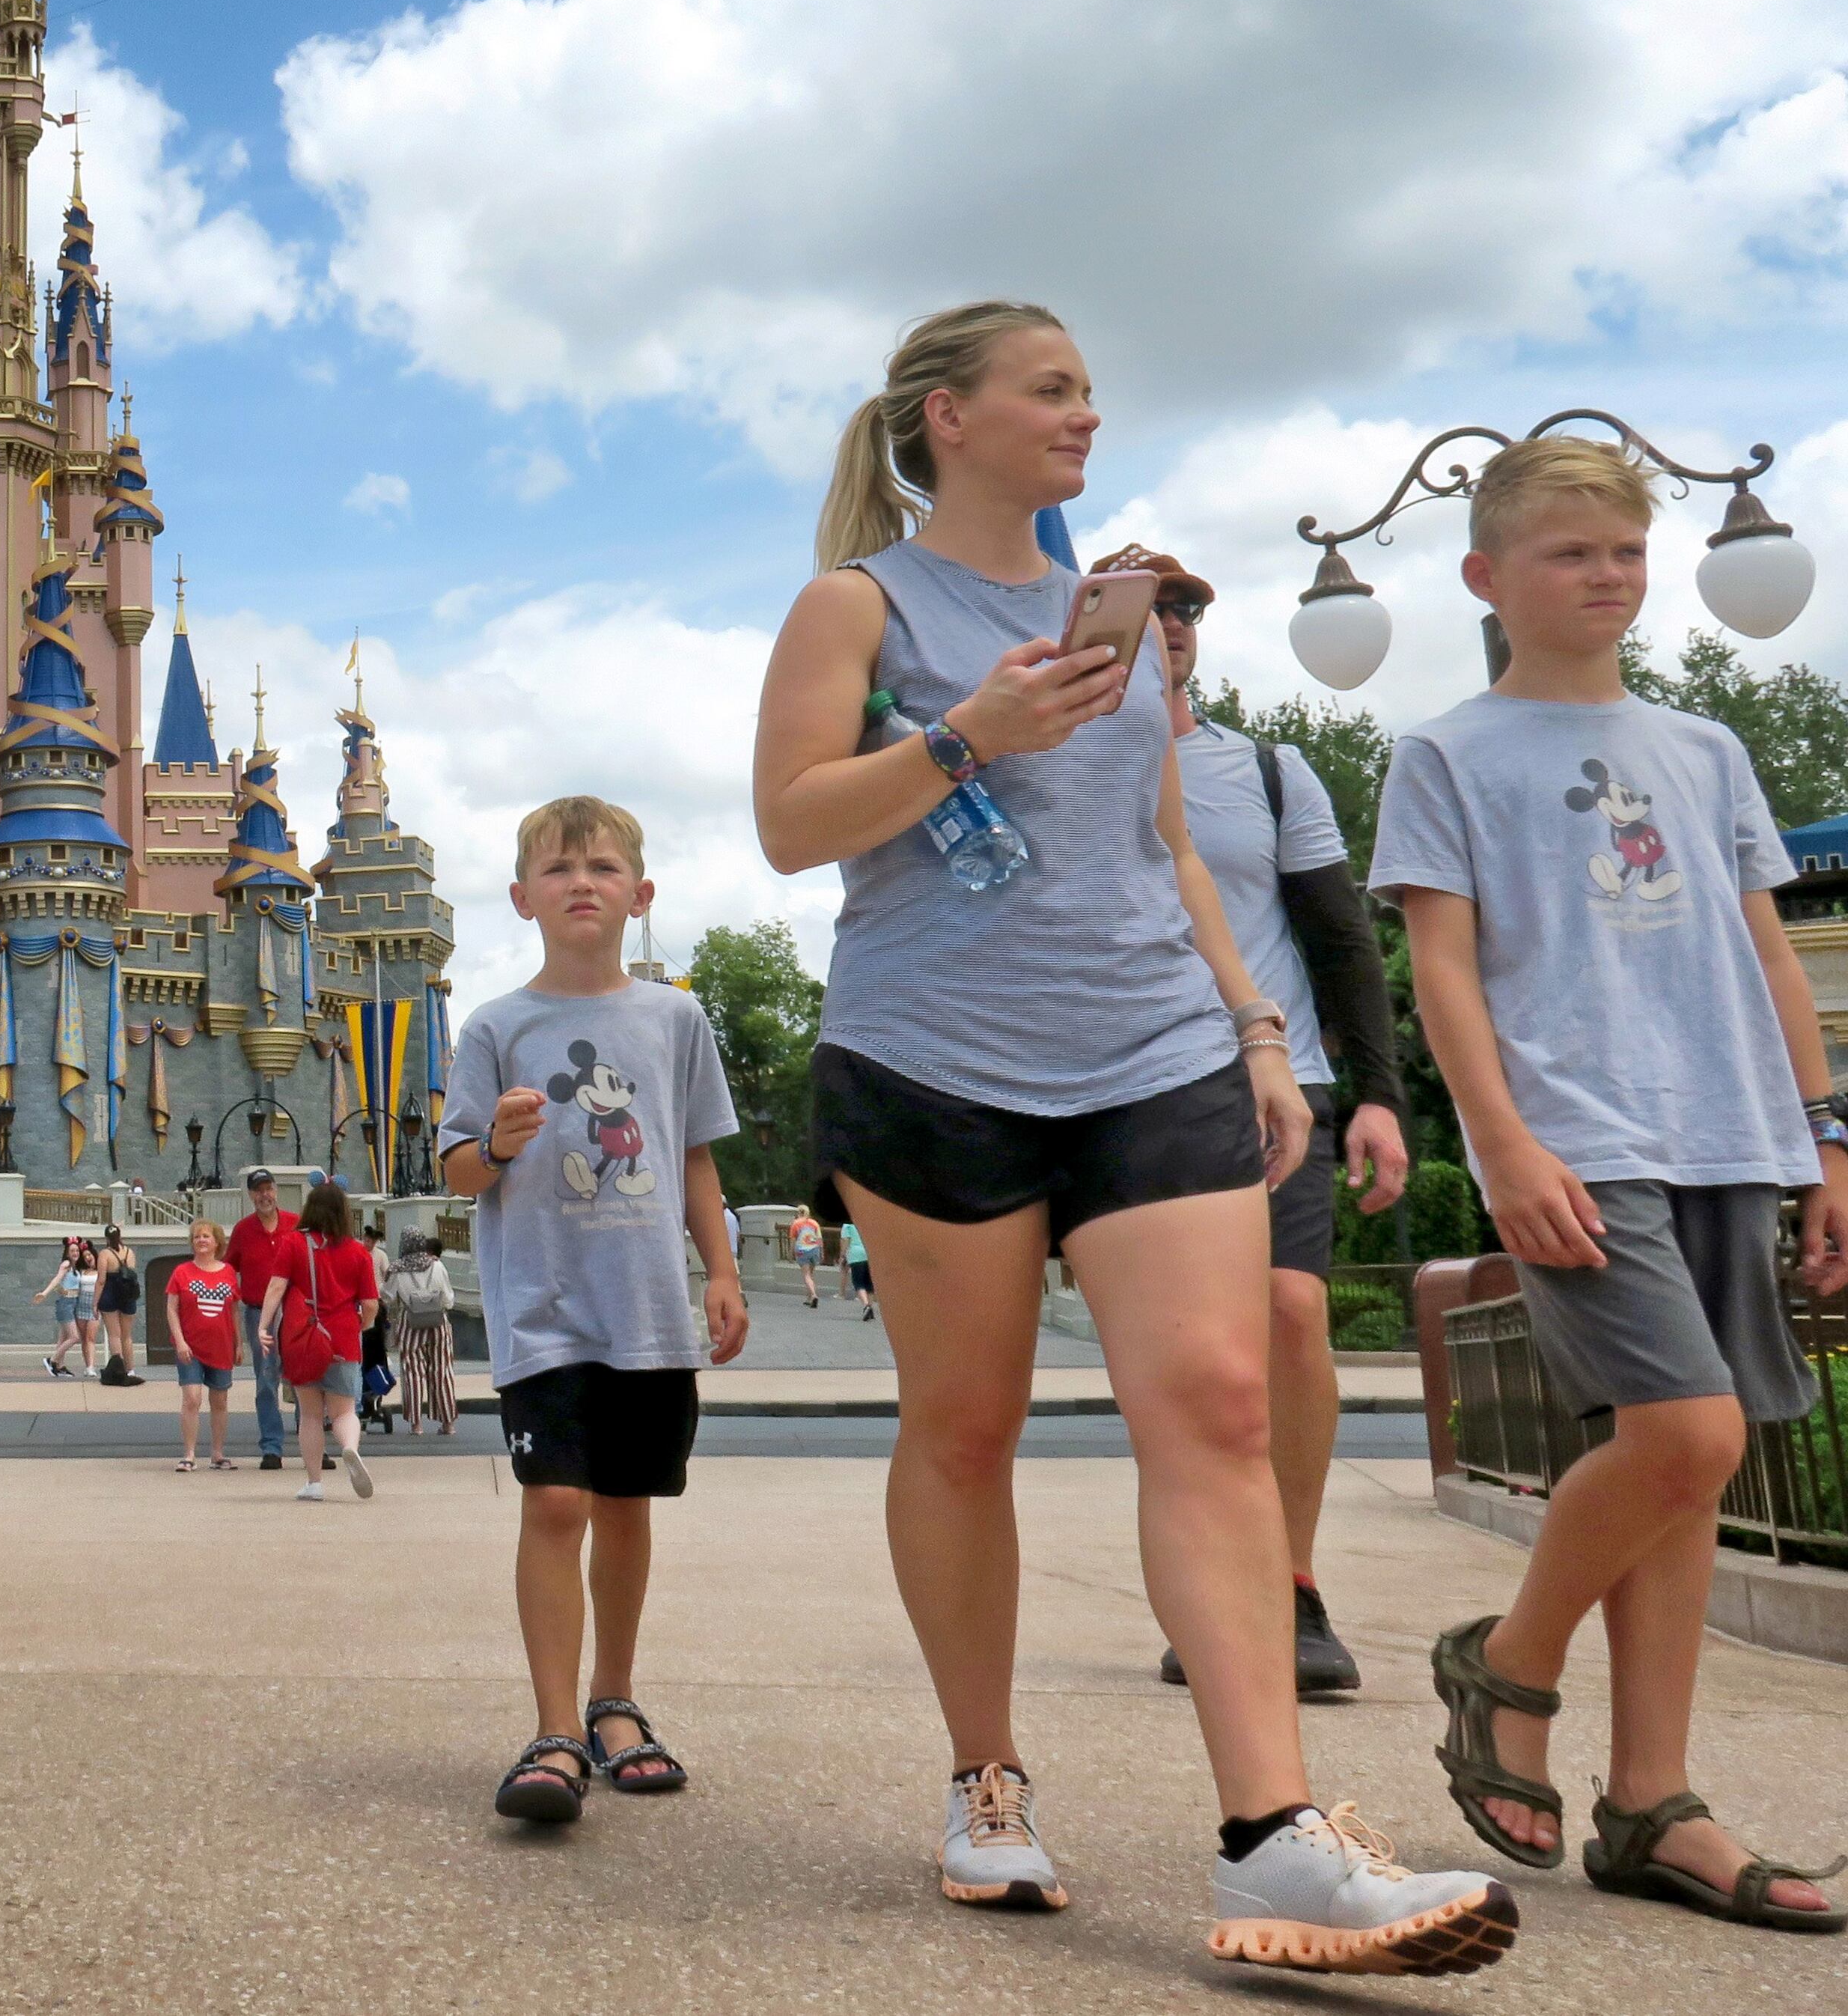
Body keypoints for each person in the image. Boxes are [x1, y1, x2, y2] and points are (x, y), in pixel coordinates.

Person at [750, 302, 1510, 1973]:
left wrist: (1256, 1035)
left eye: (1091, 390)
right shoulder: (861, 602)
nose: (1085, 414)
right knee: (965, 1423)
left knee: (1224, 1404)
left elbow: (1168, 846)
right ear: (947, 417)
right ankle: (988, 1779)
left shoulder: (1133, 617)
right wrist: (968, 734)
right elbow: (790, 821)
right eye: (1052, 390)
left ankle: (1276, 1836)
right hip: (935, 1059)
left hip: (1150, 1051)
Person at [1376, 436, 1848, 1932]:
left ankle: (1654, 1800)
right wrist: (1500, 1141)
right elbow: (1438, 963)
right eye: (1570, 552)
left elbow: (1771, 951)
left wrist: (1828, 1132)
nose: (1606, 575)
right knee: (1687, 1428)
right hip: (1579, 1136)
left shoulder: (1706, 749)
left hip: (1731, 1129)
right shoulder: (1447, 751)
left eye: (1626, 552)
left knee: (1695, 1467)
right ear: (1487, 577)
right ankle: (1507, 1666)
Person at [1094, 542, 1412, 1695]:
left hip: (1283, 1083)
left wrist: (1377, 1094)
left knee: (1288, 1316)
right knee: (1191, 1364)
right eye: (1144, 608)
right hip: (1133, 1088)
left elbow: (1341, 942)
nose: (1169, 624)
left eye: (1184, 608)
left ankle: (1290, 1582)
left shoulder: (1271, 772)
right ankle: (1209, 1585)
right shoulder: (1072, 768)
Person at [439, 797, 748, 1824]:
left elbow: (694, 1154)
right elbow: (453, 1173)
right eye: (563, 868)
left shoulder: (676, 1019)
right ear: (523, 897)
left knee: (625, 1505)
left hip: (649, 1308)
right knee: (555, 1503)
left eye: (606, 867)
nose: (585, 882)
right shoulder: (494, 1028)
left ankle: (617, 1702)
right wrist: (501, 1145)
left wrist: (723, 1270)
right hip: (545, 1308)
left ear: (640, 894)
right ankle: (556, 1727)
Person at [255, 1183, 380, 1503]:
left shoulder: (293, 1243)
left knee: (309, 1413)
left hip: (303, 1337)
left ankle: (314, 1483)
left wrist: (263, 1325)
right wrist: (360, 1327)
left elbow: (275, 1288)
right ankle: (349, 1447)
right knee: (344, 1411)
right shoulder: (358, 1253)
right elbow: (370, 1305)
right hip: (342, 1338)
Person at [226, 1171, 298, 1468]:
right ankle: (272, 1447)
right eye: (258, 1191)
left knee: (303, 1379)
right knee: (266, 1381)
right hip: (259, 1315)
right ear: (251, 1196)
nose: (264, 1195)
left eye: (268, 1189)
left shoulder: (296, 1224)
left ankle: (313, 1446)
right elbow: (229, 1270)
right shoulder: (243, 1231)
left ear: (276, 1191)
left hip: (295, 1313)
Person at [162, 1219, 239, 1470]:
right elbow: (172, 1309)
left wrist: (239, 1344)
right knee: (192, 1398)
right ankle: (189, 1454)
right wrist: (180, 1341)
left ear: (217, 1242)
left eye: (206, 1236)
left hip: (222, 1346)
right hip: (190, 1348)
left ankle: (217, 1453)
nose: (201, 1240)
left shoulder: (228, 1273)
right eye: (197, 1237)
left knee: (220, 1400)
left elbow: (234, 1311)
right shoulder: (181, 1272)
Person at [385, 1231, 460, 1434]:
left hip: (410, 1324)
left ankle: (416, 1424)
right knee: (442, 1373)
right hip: (439, 1324)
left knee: (413, 1373)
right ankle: (448, 1423)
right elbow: (448, 1300)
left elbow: (388, 1297)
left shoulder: (397, 1269)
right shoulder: (437, 1265)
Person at [34, 1237, 100, 1376]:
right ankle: (52, 1360)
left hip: (73, 1303)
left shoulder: (77, 1268)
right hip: (66, 1304)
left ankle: (60, 1366)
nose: (75, 1253)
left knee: (63, 1338)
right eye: (72, 1251)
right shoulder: (66, 1264)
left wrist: (61, 1289)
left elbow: (63, 1284)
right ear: (67, 1253)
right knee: (75, 1337)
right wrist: (45, 1293)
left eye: (77, 1251)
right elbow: (56, 1279)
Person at [93, 1223, 144, 1384]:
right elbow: (131, 1273)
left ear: (106, 1238)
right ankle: (131, 1370)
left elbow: (101, 1281)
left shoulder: (105, 1254)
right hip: (128, 1295)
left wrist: (95, 1303)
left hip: (110, 1293)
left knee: (114, 1335)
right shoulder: (130, 1253)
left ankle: (118, 1370)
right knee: (127, 1336)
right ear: (120, 1236)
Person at [841, 1214, 876, 1319]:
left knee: (858, 1283)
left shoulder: (847, 1225)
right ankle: (871, 1306)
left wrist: (843, 1255)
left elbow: (846, 1240)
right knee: (869, 1283)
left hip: (855, 1255)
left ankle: (866, 1306)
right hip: (869, 1253)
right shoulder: (867, 1221)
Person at [787, 1208, 823, 1306]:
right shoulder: (814, 1223)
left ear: (798, 1213)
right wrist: (822, 1252)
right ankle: (809, 1298)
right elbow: (819, 1239)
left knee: (806, 1275)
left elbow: (793, 1241)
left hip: (802, 1251)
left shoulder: (795, 1224)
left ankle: (813, 1295)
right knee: (811, 1275)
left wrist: (791, 1254)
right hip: (814, 1249)